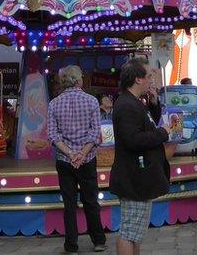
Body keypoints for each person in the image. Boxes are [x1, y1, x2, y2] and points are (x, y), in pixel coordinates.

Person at [110, 58, 170, 255]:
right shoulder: (126, 104)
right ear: (137, 79)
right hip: (134, 177)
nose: (151, 80)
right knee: (129, 231)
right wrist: (163, 133)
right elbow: (133, 139)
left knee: (135, 231)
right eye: (149, 76)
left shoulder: (135, 101)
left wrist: (153, 104)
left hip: (139, 177)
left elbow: (145, 123)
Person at [47, 66, 106, 253]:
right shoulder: (91, 102)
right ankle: (98, 240)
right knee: (91, 201)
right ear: (78, 80)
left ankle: (71, 245)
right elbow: (95, 132)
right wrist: (82, 153)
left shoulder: (54, 104)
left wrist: (71, 154)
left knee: (69, 204)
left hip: (65, 160)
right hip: (87, 159)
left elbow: (52, 135)